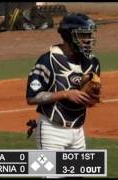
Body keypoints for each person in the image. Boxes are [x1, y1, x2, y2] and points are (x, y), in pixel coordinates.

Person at [25, 13, 100, 151]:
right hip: (51, 131)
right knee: (53, 173)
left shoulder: (92, 63)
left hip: (78, 132)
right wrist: (65, 94)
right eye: (84, 35)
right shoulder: (48, 60)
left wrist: (91, 98)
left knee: (77, 173)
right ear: (70, 36)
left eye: (90, 35)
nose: (89, 40)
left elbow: (89, 102)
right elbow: (32, 97)